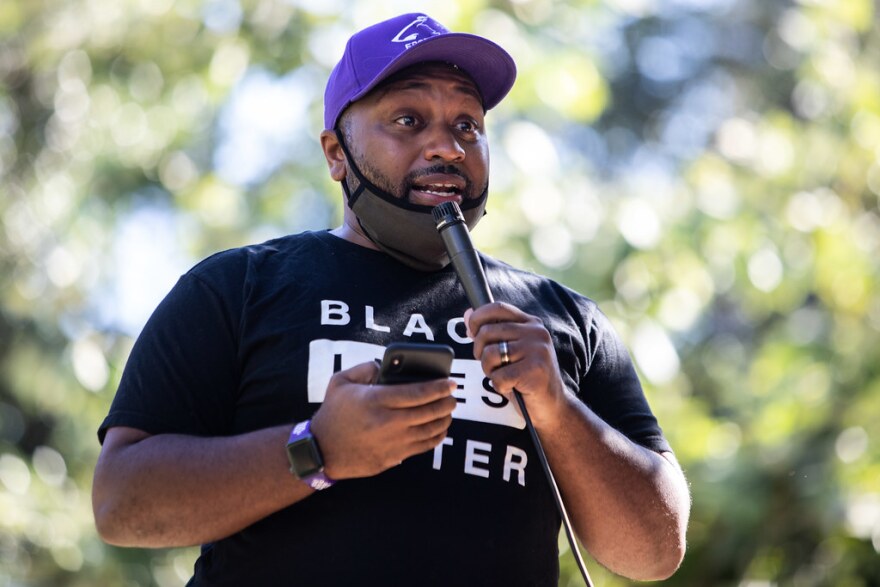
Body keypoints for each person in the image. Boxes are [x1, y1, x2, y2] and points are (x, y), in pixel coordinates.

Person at [92, 12, 690, 586]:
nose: (448, 148)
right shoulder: (237, 288)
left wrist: (559, 409)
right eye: (408, 119)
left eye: (467, 125)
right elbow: (122, 504)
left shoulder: (562, 320)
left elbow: (655, 552)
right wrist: (317, 449)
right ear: (334, 153)